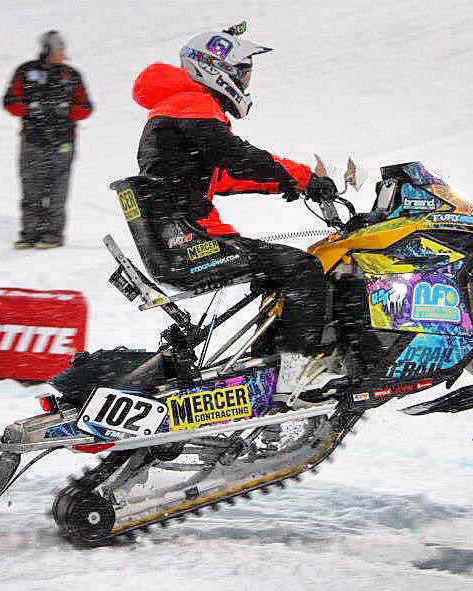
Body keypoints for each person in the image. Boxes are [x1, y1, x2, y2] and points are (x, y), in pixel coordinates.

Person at [130, 22, 341, 405]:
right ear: (214, 68)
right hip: (192, 242)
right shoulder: (191, 103)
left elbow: (220, 174)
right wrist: (304, 177)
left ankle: (267, 365)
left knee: (278, 274)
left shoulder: (174, 107)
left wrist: (286, 184)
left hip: (177, 240)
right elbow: (237, 157)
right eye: (241, 71)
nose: (245, 80)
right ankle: (297, 373)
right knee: (304, 268)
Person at [3, 30, 93, 249]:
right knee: (31, 190)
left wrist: (65, 111)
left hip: (62, 144)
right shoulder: (26, 72)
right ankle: (30, 234)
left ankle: (53, 235)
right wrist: (32, 109)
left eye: (62, 49)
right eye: (59, 49)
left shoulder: (70, 75)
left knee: (57, 192)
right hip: (33, 142)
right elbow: (10, 101)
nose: (62, 53)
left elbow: (86, 107)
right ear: (48, 50)